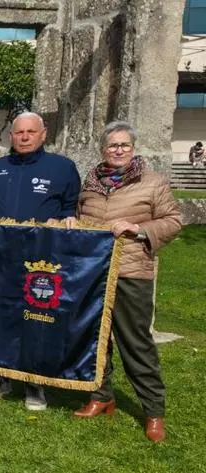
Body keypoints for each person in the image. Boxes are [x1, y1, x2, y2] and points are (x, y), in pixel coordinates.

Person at [74, 121, 181, 443]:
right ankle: (101, 395)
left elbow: (174, 220)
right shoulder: (91, 183)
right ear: (102, 149)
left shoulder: (152, 182)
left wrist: (139, 229)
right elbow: (83, 218)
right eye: (112, 145)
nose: (118, 150)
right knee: (96, 340)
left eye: (124, 145)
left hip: (131, 272)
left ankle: (153, 410)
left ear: (133, 149)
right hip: (94, 272)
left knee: (135, 342)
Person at [0, 111, 80, 411]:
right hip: (0, 258)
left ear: (43, 134)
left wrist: (66, 219)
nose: (24, 137)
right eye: (19, 132)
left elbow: (71, 209)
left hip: (41, 262)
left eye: (30, 132)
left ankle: (35, 384)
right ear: (11, 136)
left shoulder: (62, 168)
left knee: (37, 320)